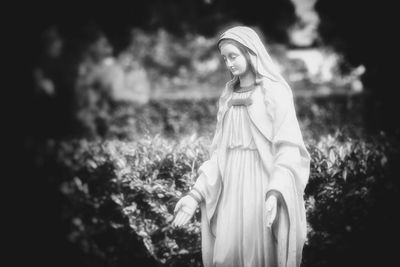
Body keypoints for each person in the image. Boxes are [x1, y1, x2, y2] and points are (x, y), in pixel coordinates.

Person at [172, 26, 311, 267]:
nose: (229, 63)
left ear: (251, 53)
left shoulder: (274, 92)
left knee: (258, 255)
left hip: (262, 186)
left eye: (233, 56)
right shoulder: (227, 96)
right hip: (230, 189)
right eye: (225, 58)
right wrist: (195, 196)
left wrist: (276, 192)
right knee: (226, 256)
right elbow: (219, 155)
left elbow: (288, 148)